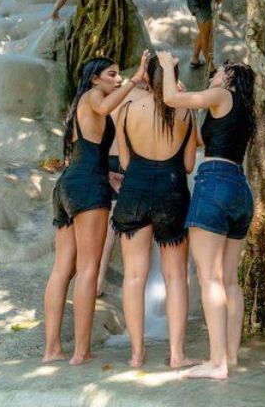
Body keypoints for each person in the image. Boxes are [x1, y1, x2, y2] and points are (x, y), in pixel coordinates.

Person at [43, 51, 149, 365]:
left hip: (67, 185)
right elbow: (106, 106)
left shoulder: (79, 104)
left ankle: (52, 350)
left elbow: (85, 151)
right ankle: (80, 352)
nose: (117, 80)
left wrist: (108, 172)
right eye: (112, 75)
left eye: (119, 75)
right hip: (87, 188)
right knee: (88, 269)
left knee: (63, 269)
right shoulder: (93, 96)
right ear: (94, 79)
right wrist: (136, 79)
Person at [156, 51, 255, 381]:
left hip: (213, 184)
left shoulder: (221, 94)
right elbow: (199, 139)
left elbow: (170, 98)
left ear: (229, 77)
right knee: (229, 280)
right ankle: (231, 355)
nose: (212, 74)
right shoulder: (241, 108)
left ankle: (216, 363)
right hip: (240, 188)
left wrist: (168, 68)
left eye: (218, 71)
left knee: (209, 278)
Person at [112, 54, 198, 369]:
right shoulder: (186, 109)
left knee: (134, 275)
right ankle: (176, 355)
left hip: (134, 191)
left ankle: (136, 353)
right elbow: (189, 165)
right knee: (176, 277)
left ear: (147, 78)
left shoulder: (128, 108)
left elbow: (123, 162)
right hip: (172, 192)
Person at [96, 83, 150, 298]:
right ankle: (133, 288)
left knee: (104, 224)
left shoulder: (112, 95)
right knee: (117, 227)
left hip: (105, 159)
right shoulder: (149, 98)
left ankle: (96, 280)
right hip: (129, 160)